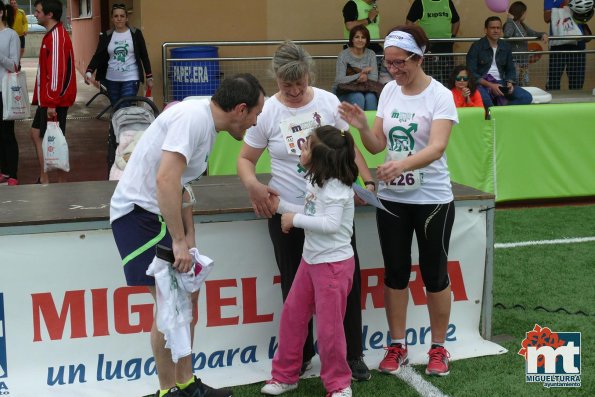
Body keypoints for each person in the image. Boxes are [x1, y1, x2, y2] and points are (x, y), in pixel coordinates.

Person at [110, 73, 265, 397]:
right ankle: (171, 390)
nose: (255, 122)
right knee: (171, 302)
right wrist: (178, 240)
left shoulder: (203, 117)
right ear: (240, 109)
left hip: (154, 215)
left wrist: (188, 234)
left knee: (186, 297)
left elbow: (180, 184)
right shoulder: (194, 118)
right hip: (138, 216)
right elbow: (166, 180)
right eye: (255, 114)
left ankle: (185, 382)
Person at [237, 41, 373, 383]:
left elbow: (348, 149)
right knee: (295, 288)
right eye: (287, 86)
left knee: (345, 285)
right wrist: (254, 185)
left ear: (309, 75)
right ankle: (299, 357)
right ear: (277, 80)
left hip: (331, 210)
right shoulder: (267, 112)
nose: (295, 91)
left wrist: (366, 182)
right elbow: (245, 159)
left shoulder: (327, 102)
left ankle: (352, 354)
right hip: (285, 211)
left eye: (300, 83)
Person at [339, 25, 458, 377]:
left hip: (432, 197)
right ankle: (397, 345)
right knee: (394, 274)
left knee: (435, 274)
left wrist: (400, 165)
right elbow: (376, 145)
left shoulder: (440, 95)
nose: (393, 70)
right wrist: (362, 125)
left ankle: (438, 348)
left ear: (418, 58)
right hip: (393, 198)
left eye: (399, 62)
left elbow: (437, 147)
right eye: (388, 63)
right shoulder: (389, 91)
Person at [261, 126, 358, 397]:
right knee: (292, 317)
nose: (300, 149)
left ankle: (339, 385)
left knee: (329, 330)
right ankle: (285, 376)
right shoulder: (317, 180)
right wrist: (280, 206)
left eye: (306, 146)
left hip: (333, 266)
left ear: (319, 157)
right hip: (311, 261)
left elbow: (330, 223)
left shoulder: (337, 187)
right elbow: (311, 210)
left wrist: (294, 221)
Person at [29, 0, 77, 184]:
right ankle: (45, 177)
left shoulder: (56, 37)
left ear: (49, 15)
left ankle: (56, 182)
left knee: (53, 141)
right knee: (37, 134)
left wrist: (51, 103)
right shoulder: (52, 35)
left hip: (53, 100)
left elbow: (57, 74)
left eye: (39, 11)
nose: (35, 14)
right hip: (48, 99)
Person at [85, 3, 152, 109]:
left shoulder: (136, 34)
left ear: (126, 18)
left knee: (124, 108)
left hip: (131, 78)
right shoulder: (106, 36)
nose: (119, 19)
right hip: (111, 79)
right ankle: (114, 125)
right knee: (116, 109)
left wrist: (149, 77)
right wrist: (89, 71)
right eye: (116, 16)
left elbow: (144, 56)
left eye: (122, 16)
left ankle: (119, 124)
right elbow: (98, 55)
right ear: (112, 19)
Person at [466, 16, 532, 108]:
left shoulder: (505, 46)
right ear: (486, 30)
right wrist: (491, 85)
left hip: (502, 82)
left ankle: (502, 111)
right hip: (482, 83)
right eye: (492, 28)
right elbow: (471, 73)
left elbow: (510, 69)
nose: (496, 30)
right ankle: (498, 114)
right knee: (485, 100)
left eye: (498, 28)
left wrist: (509, 83)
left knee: (526, 97)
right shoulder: (476, 46)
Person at [406, 0, 460, 85]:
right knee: (430, 74)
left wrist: (452, 37)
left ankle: (446, 95)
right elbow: (409, 22)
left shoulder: (447, 2)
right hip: (428, 46)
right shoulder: (420, 2)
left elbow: (456, 21)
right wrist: (416, 38)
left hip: (446, 45)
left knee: (448, 74)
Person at [544, 0, 593, 90]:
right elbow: (546, 18)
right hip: (557, 45)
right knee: (553, 82)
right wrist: (565, 5)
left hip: (578, 45)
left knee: (577, 82)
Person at [333, 26, 380, 111]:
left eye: (363, 37)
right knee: (358, 96)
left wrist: (365, 77)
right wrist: (360, 74)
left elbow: (374, 78)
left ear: (367, 40)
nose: (360, 40)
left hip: (365, 88)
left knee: (371, 97)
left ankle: (371, 124)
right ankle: (356, 124)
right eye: (357, 37)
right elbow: (339, 80)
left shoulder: (371, 54)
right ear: (352, 39)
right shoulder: (343, 55)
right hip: (345, 90)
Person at [503, 1, 548, 86]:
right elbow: (507, 34)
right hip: (514, 62)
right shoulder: (510, 24)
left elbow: (533, 33)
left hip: (524, 61)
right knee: (514, 83)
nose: (525, 15)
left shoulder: (522, 25)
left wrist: (543, 34)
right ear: (520, 12)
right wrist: (509, 19)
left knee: (525, 84)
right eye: (524, 13)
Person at [0, 2, 20, 186]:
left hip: (4, 90)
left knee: (7, 133)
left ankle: (12, 173)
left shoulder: (11, 35)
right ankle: (3, 171)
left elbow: (15, 65)